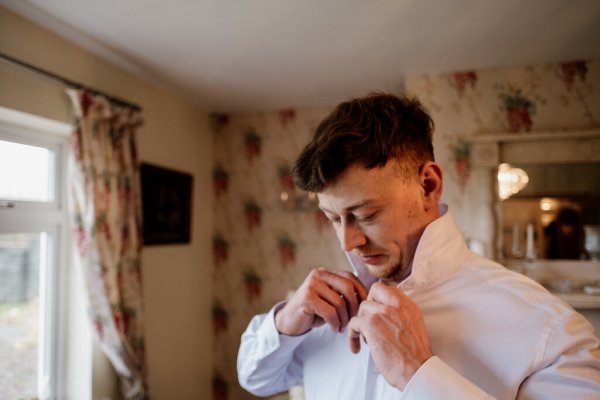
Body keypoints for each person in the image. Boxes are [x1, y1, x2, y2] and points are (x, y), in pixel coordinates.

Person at [237, 93, 600, 399]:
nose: (348, 240)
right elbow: (255, 379)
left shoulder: (549, 331)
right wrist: (284, 323)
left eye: (365, 213)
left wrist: (418, 372)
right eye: (333, 219)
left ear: (428, 185)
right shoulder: (325, 310)